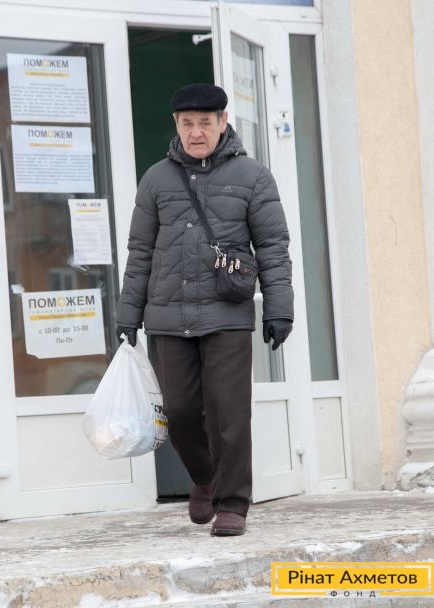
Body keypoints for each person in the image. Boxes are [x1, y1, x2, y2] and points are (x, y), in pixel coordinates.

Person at [116, 83, 293, 536]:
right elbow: (140, 252)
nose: (197, 132)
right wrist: (128, 314)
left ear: (223, 122)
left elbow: (273, 247)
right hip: (167, 317)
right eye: (187, 123)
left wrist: (279, 308)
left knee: (228, 413)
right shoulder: (156, 179)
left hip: (226, 315)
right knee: (177, 412)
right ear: (176, 125)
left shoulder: (254, 177)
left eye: (205, 123)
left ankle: (233, 502)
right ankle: (205, 477)